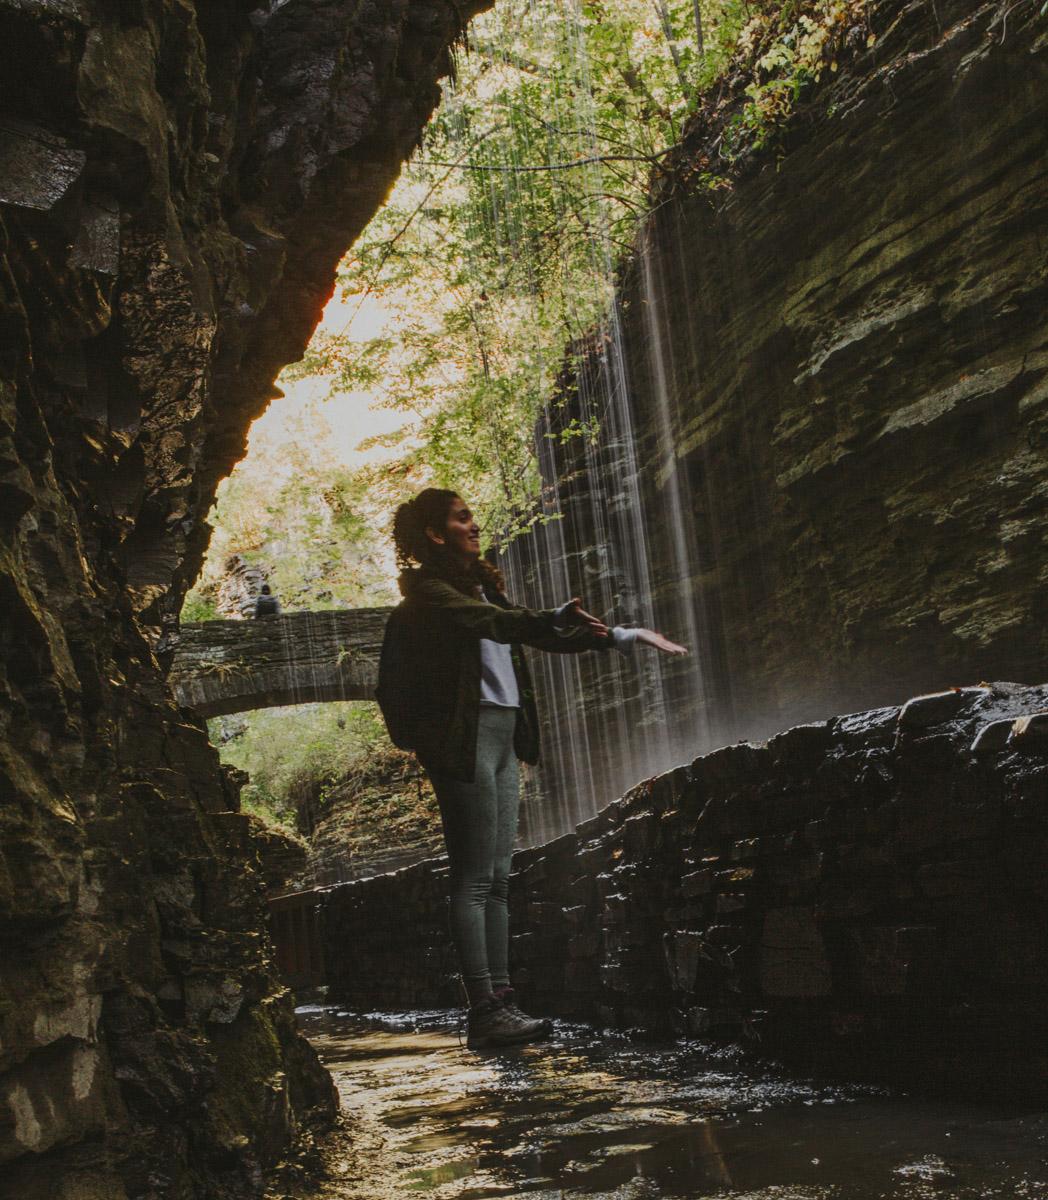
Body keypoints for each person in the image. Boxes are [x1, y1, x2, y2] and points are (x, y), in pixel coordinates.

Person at [376, 488, 687, 1049]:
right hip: (463, 737)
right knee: (473, 878)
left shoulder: (482, 588)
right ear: (434, 532)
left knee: (496, 877)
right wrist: (546, 617)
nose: (475, 524)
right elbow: (494, 625)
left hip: (503, 730)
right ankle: (484, 1011)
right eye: (462, 517)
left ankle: (502, 1002)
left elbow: (530, 631)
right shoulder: (429, 593)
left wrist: (619, 636)